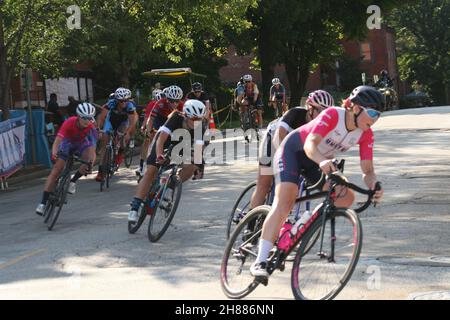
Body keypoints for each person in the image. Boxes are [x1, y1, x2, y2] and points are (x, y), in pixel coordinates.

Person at [249, 85, 385, 280]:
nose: (375, 119)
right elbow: (310, 145)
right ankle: (260, 261)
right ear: (355, 108)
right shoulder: (333, 115)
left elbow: (368, 169)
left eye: (378, 115)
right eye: (372, 113)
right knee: (285, 202)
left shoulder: (366, 133)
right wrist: (323, 162)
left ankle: (303, 225)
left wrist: (373, 184)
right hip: (294, 151)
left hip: (318, 160)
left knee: (345, 197)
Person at [248, 90, 335, 214]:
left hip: (293, 149)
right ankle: (249, 227)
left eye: (327, 113)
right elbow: (278, 139)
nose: (324, 116)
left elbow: (326, 150)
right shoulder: (295, 114)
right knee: (264, 182)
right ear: (310, 108)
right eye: (320, 111)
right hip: (272, 141)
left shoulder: (324, 125)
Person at [128, 99, 208, 222]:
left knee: (192, 166)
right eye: (194, 119)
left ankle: (169, 188)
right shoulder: (176, 117)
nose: (196, 122)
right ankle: (135, 207)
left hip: (181, 146)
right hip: (163, 143)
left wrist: (199, 167)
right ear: (185, 115)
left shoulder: (199, 127)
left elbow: (198, 152)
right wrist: (159, 155)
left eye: (199, 119)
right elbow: (161, 140)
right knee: (151, 170)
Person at [35, 103, 97, 216]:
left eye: (89, 118)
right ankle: (43, 203)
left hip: (81, 144)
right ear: (78, 116)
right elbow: (58, 140)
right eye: (84, 118)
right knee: (56, 170)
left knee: (88, 158)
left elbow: (93, 149)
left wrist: (90, 164)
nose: (87, 121)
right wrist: (54, 152)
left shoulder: (91, 127)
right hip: (67, 142)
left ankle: (73, 181)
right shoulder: (69, 122)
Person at [95, 87, 138, 182]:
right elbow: (102, 117)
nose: (123, 103)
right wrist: (99, 129)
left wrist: (127, 133)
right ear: (116, 100)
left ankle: (120, 153)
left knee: (122, 137)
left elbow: (132, 122)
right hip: (111, 121)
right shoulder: (110, 104)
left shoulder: (130, 106)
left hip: (123, 122)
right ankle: (101, 172)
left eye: (125, 100)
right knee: (104, 146)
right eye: (121, 101)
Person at [135, 89, 167, 177]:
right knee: (147, 142)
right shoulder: (152, 104)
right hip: (153, 124)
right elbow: (148, 117)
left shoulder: (167, 104)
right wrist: (144, 127)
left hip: (164, 124)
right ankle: (142, 165)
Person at [185, 82, 211, 179]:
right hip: (192, 118)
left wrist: (205, 119)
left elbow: (208, 109)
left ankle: (200, 170)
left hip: (202, 117)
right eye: (195, 92)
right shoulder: (189, 96)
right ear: (192, 91)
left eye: (199, 91)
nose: (197, 93)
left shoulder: (205, 95)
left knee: (199, 148)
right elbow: (186, 108)